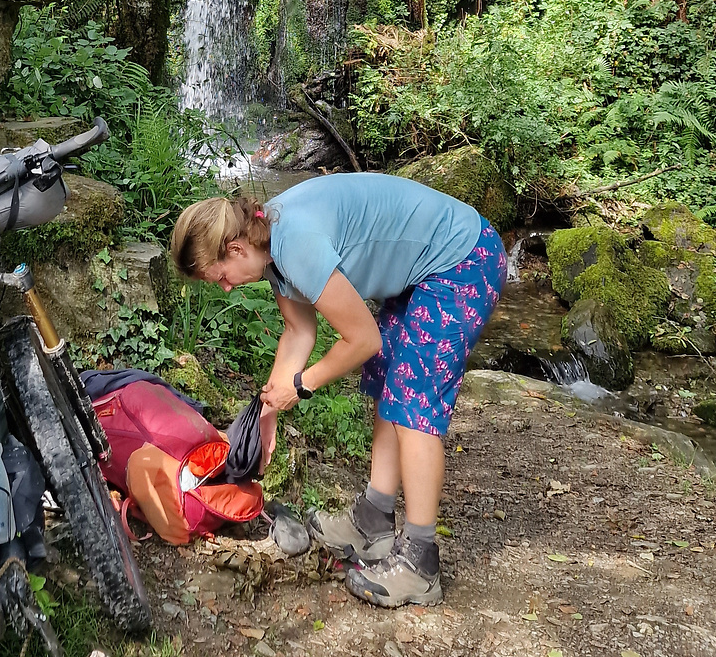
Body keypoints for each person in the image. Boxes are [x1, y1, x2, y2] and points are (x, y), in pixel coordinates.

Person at [170, 173, 505, 608]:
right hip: (425, 268)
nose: (227, 286)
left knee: (414, 397)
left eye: (221, 277)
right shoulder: (267, 244)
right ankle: (373, 520)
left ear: (235, 249)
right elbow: (297, 332)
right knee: (389, 380)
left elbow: (363, 340)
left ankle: (421, 563)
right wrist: (268, 414)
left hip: (463, 258)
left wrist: (302, 385)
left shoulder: (296, 244)